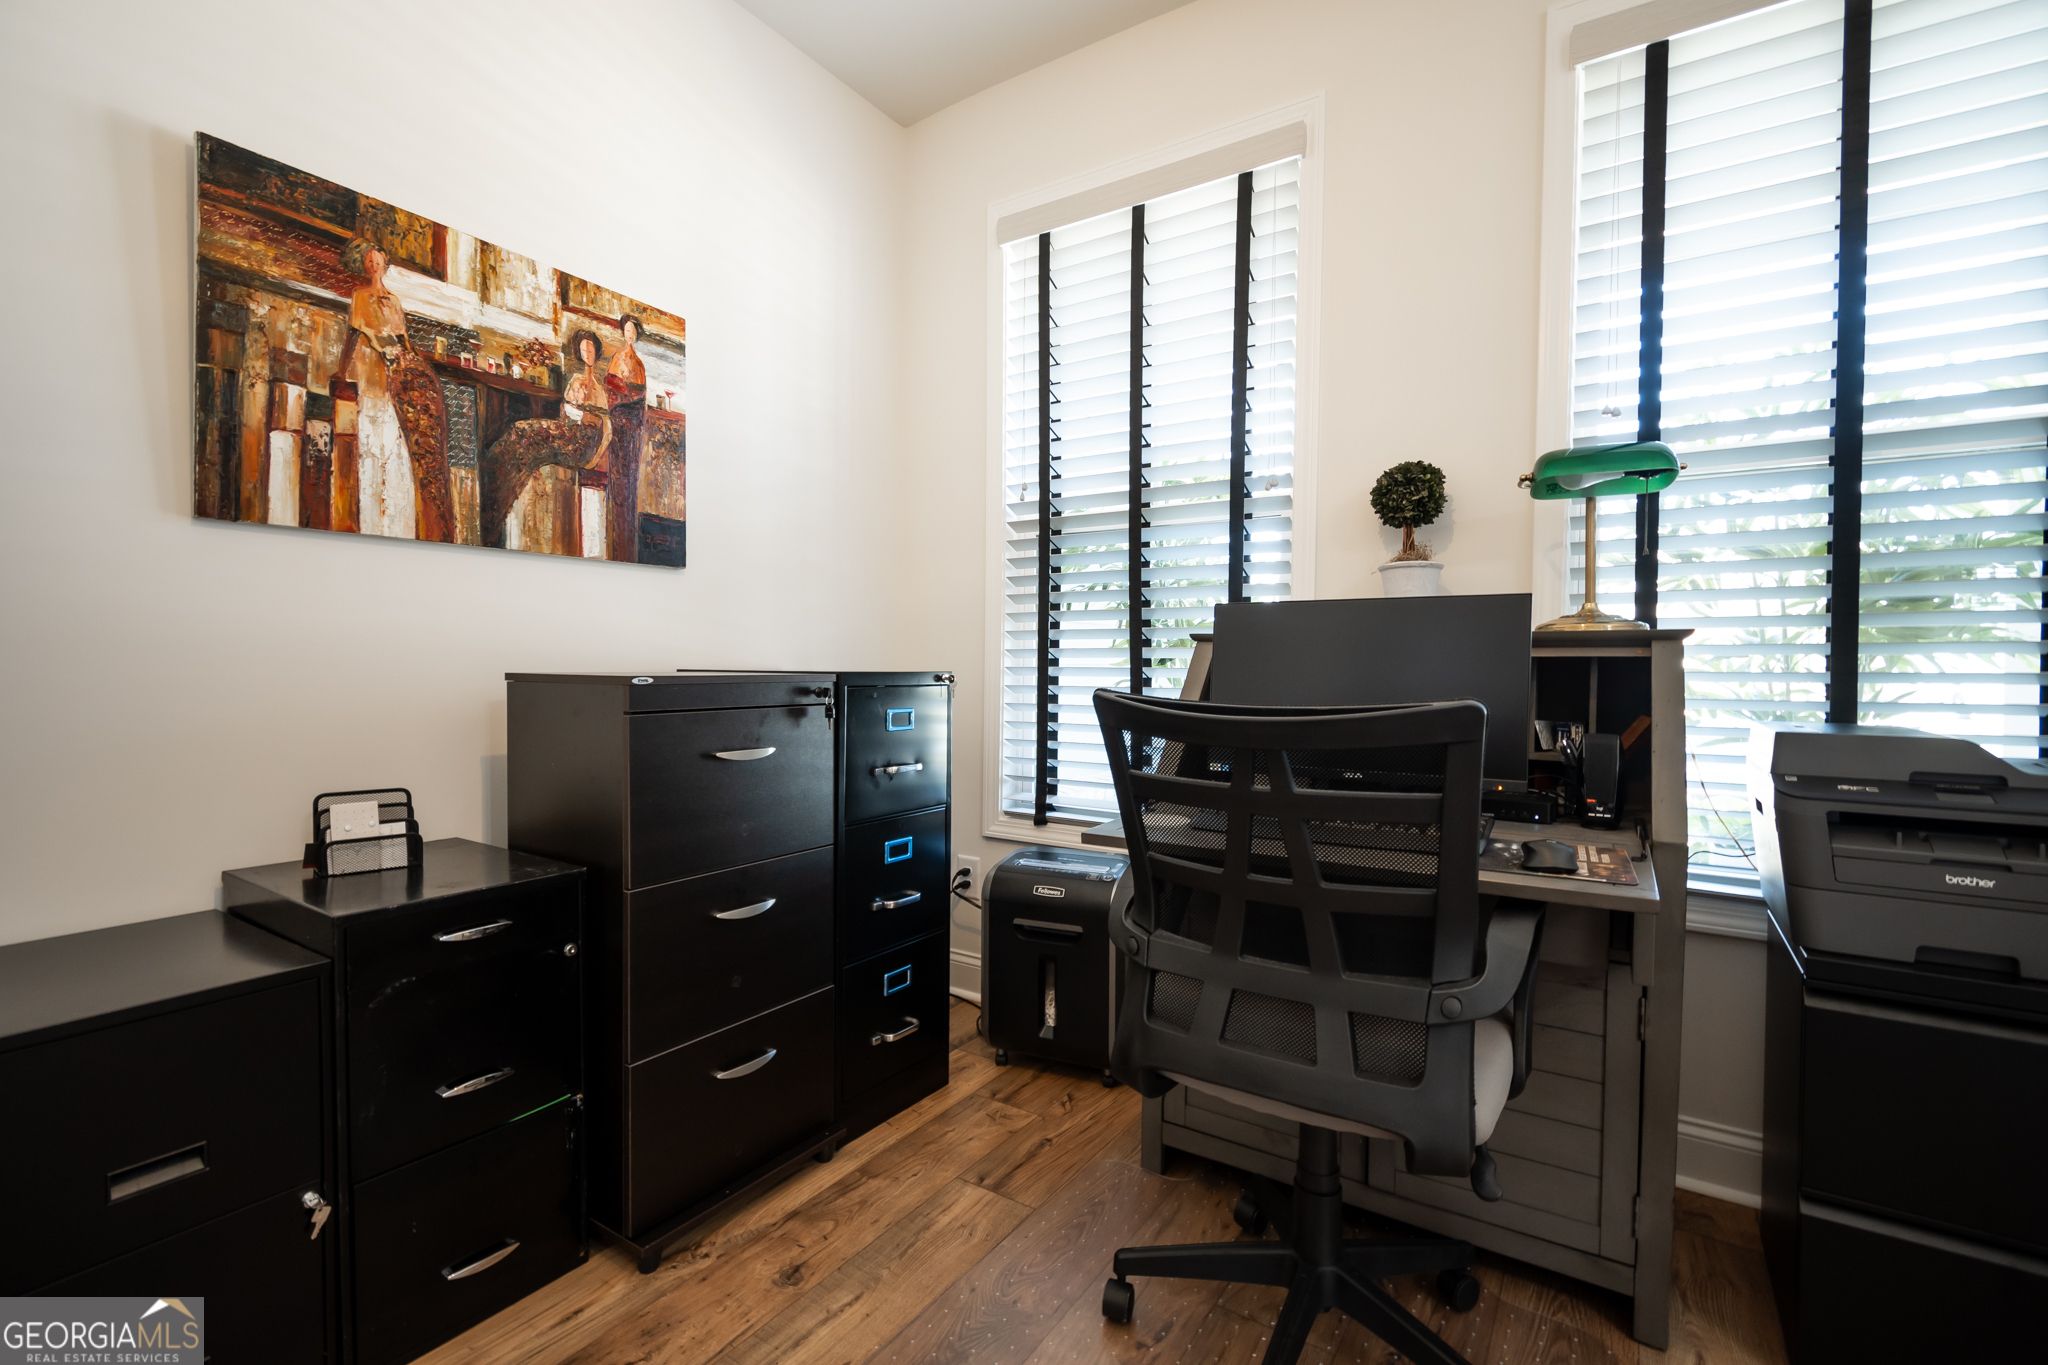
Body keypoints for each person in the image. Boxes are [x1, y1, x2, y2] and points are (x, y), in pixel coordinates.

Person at [335, 238, 453, 540]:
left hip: (395, 372)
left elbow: (403, 339)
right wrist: (342, 370)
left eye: (378, 260)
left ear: (385, 265)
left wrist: (411, 363)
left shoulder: (395, 301)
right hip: (369, 368)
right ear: (364, 265)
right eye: (369, 261)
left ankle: (398, 515)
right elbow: (353, 334)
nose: (374, 265)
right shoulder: (360, 296)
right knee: (371, 434)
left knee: (394, 436)